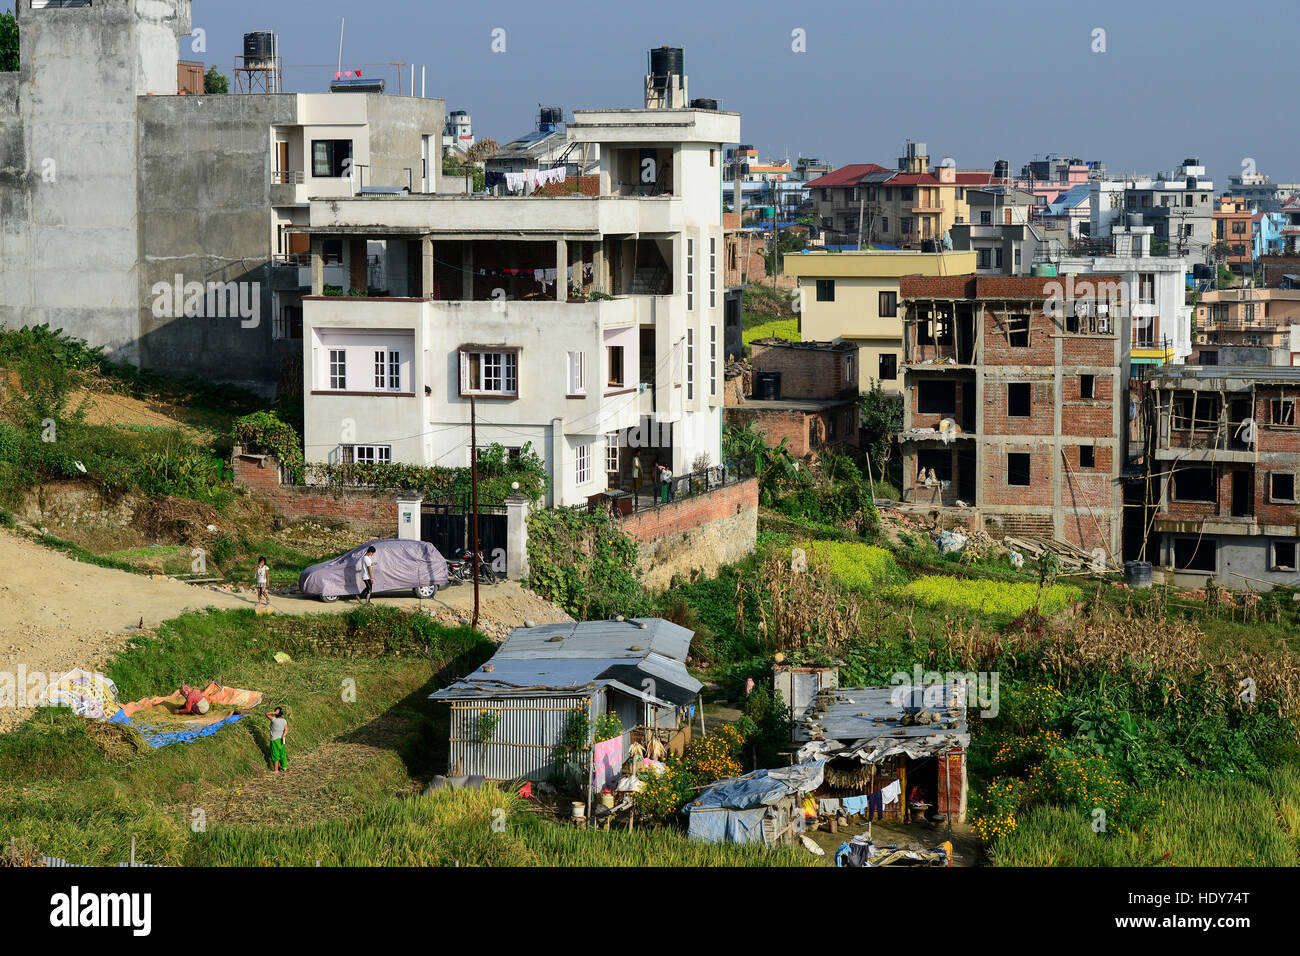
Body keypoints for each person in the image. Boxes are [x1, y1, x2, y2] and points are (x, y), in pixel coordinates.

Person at [266, 706, 289, 772]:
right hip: (282, 739)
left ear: (277, 713)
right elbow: (286, 730)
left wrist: (274, 712)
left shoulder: (274, 720)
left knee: (275, 754)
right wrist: (283, 735)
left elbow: (266, 714)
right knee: (282, 753)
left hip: (274, 740)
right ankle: (284, 767)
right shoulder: (284, 721)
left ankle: (276, 770)